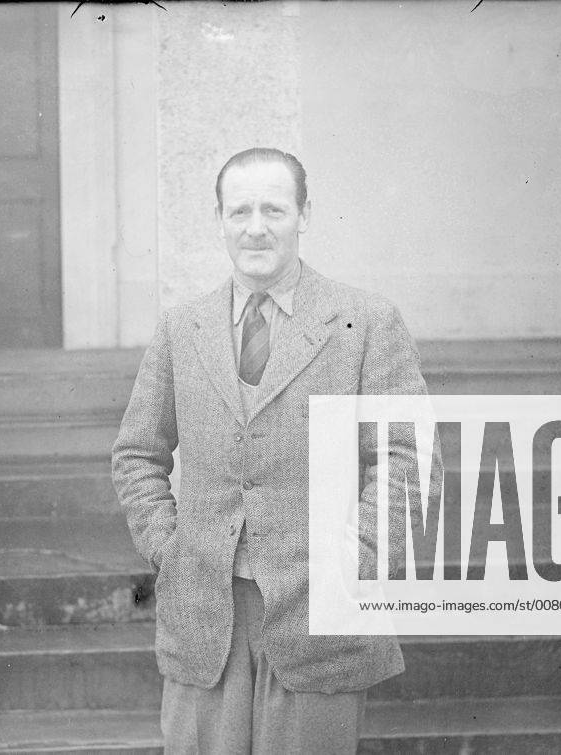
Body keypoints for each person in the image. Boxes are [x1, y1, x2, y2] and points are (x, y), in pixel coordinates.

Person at [111, 147, 428, 753]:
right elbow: (138, 455)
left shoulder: (363, 322)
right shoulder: (184, 329)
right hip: (206, 610)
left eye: (274, 210)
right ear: (221, 219)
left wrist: (352, 559)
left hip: (320, 610)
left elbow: (408, 461)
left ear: (305, 215)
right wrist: (171, 548)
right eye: (241, 211)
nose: (256, 227)